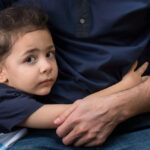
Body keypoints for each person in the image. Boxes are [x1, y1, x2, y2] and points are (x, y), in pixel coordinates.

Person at [0, 0, 150, 150]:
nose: (46, 67)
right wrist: (124, 86)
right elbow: (73, 113)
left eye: (50, 54)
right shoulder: (5, 101)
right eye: (30, 59)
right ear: (1, 73)